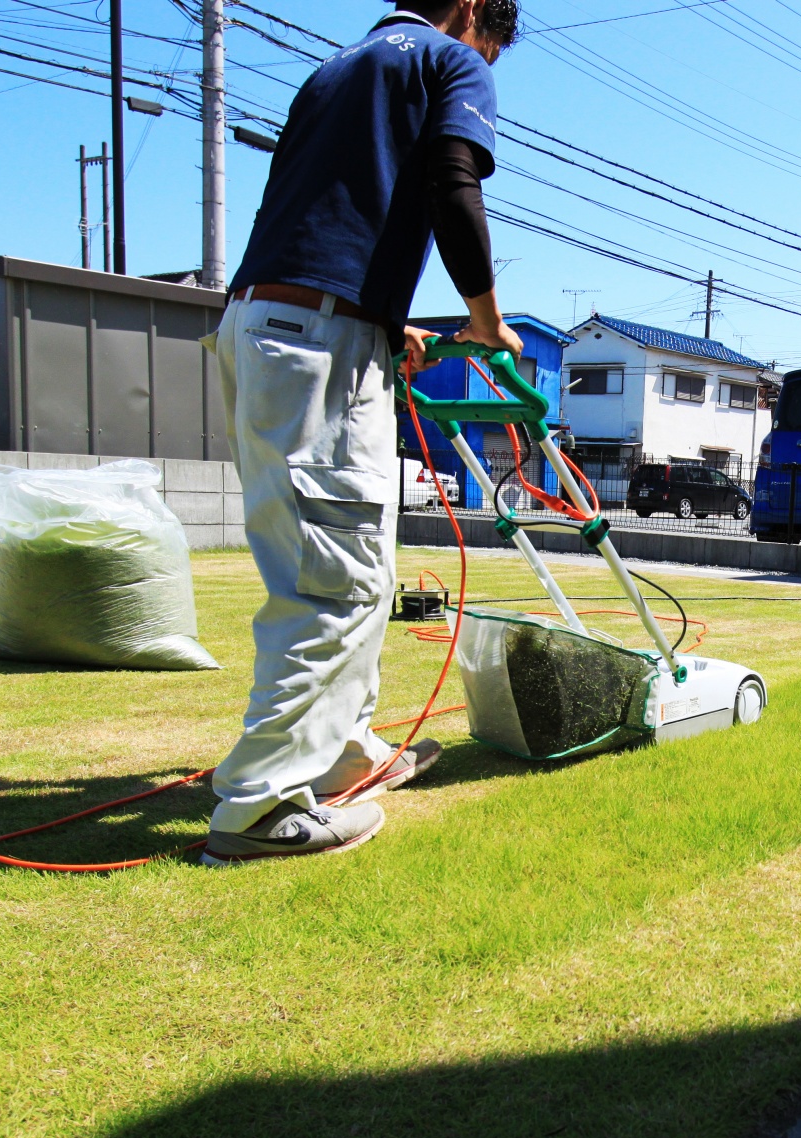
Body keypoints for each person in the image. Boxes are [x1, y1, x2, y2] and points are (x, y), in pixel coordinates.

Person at [203, 0, 524, 866]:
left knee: (354, 562)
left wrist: (384, 320)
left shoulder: (336, 68)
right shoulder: (447, 61)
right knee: (333, 580)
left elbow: (322, 213)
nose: (489, 61)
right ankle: (259, 806)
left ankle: (344, 748)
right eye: (491, 43)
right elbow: (452, 181)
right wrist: (485, 317)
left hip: (272, 320)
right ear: (468, 12)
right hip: (316, 344)